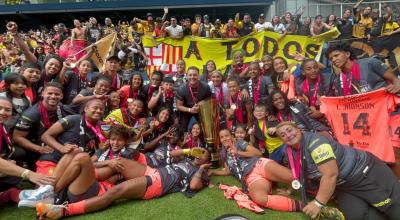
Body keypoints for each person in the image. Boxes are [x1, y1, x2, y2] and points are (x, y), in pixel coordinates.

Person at [35, 147, 210, 219]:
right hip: (152, 171)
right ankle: (61, 187)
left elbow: (194, 186)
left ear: (207, 161)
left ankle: (64, 212)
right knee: (118, 163)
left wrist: (202, 168)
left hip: (158, 184)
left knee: (116, 192)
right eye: (200, 152)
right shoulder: (185, 160)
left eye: (204, 154)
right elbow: (170, 155)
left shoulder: (201, 174)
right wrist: (188, 150)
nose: (200, 154)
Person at [276, 121, 400, 220]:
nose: (288, 135)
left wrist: (318, 203)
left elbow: (330, 175)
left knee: (393, 209)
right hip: (345, 185)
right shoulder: (290, 151)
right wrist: (289, 190)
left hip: (366, 172)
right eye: (283, 135)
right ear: (282, 140)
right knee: (357, 216)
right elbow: (297, 172)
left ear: (298, 129)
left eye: (289, 130)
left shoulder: (316, 142)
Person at [0, 97, 55, 206]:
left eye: (7, 110)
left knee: (14, 171)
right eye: (0, 108)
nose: (3, 112)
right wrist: (28, 174)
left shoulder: (2, 126)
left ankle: (12, 194)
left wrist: (6, 162)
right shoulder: (33, 113)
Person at [12, 82, 71, 170]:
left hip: (55, 145)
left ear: (62, 96)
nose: (53, 96)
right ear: (43, 93)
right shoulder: (31, 114)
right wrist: (39, 149)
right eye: (50, 93)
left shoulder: (61, 108)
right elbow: (17, 138)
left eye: (57, 94)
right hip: (36, 149)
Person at [326, 42, 400, 96]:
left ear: (347, 54)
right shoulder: (337, 80)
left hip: (384, 108)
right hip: (363, 114)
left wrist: (397, 86)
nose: (333, 60)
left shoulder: (370, 63)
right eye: (331, 58)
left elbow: (395, 80)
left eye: (336, 55)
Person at [176, 66, 212, 132]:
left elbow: (210, 99)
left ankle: (203, 141)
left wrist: (202, 103)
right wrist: (190, 110)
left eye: (195, 75)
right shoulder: (181, 89)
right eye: (190, 75)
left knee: (206, 128)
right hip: (186, 110)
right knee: (182, 129)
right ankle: (183, 140)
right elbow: (179, 106)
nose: (192, 77)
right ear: (186, 76)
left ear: (199, 76)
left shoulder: (206, 87)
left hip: (200, 110)